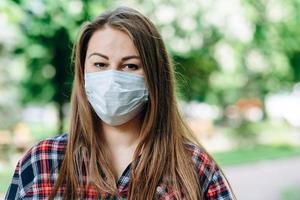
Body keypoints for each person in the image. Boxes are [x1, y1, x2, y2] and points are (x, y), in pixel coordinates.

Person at [5, 6, 234, 200]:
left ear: (154, 76)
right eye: (100, 65)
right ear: (83, 73)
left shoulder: (194, 168)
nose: (112, 79)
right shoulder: (42, 162)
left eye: (130, 66)